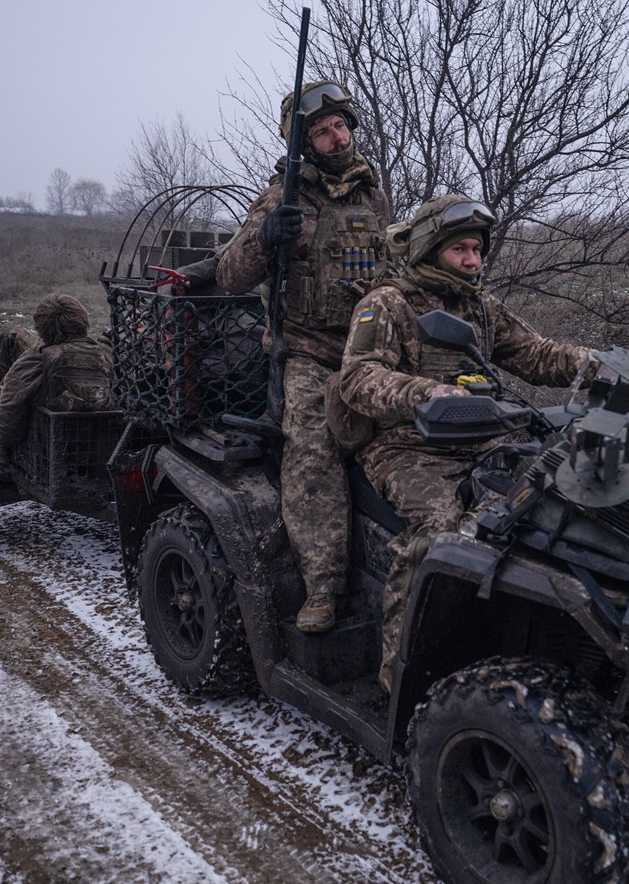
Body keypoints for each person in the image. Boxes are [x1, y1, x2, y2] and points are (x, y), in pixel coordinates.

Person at [336, 194, 592, 692]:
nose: (473, 260)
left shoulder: (479, 305)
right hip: (407, 447)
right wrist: (425, 393)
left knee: (550, 511)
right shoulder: (386, 304)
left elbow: (536, 354)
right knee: (439, 531)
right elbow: (358, 378)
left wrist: (597, 364)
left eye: (477, 249)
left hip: (482, 440)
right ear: (433, 250)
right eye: (461, 251)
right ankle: (399, 672)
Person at [216, 80, 393, 634]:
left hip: (369, 349)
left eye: (340, 125)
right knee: (313, 453)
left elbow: (393, 270)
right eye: (321, 131)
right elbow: (230, 277)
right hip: (308, 353)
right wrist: (267, 236)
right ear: (304, 142)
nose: (335, 137)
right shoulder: (282, 196)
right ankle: (323, 587)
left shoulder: (373, 194)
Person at [0, 293, 113, 447]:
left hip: (45, 452)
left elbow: (5, 434)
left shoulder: (31, 365)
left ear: (40, 329)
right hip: (102, 451)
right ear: (84, 322)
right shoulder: (107, 358)